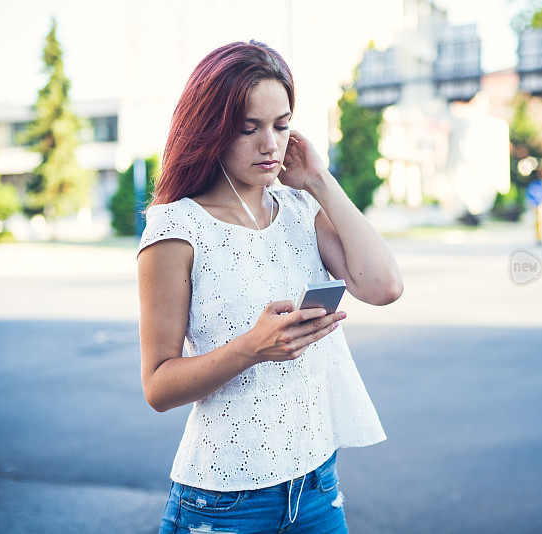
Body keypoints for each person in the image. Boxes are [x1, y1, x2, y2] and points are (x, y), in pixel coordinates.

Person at [137, 40, 403, 534]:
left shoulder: (300, 211)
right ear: (211, 129)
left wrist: (321, 181)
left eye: (281, 126)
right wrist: (252, 348)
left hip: (317, 488)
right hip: (223, 505)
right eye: (248, 128)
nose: (270, 145)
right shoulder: (177, 228)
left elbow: (384, 286)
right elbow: (157, 385)